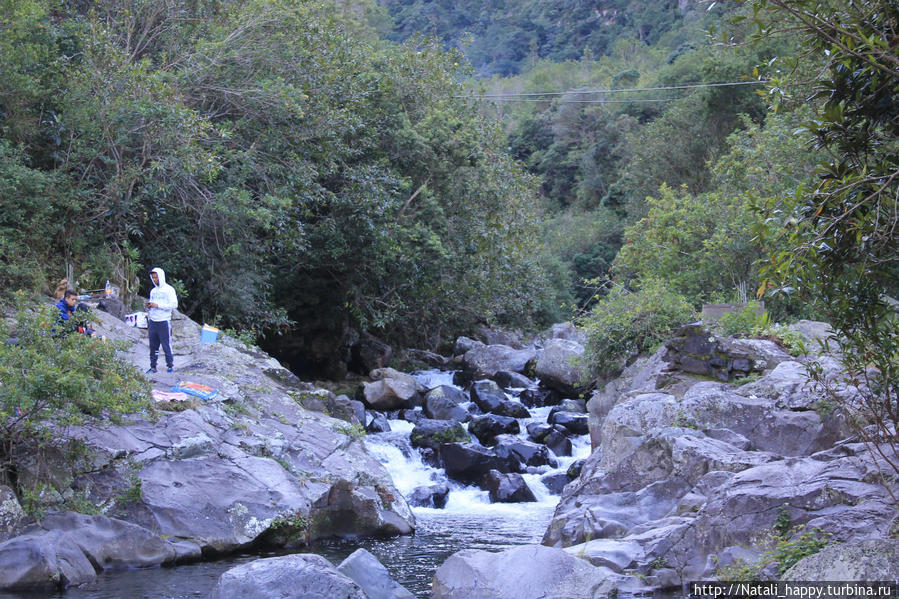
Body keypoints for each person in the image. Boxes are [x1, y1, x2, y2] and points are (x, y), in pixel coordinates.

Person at [146, 267, 177, 374]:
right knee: (153, 345)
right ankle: (153, 366)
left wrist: (158, 305)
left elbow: (174, 304)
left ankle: (170, 366)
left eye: (156, 277)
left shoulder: (169, 290)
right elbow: (153, 303)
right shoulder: (153, 291)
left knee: (166, 344)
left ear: (161, 277)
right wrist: (150, 306)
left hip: (164, 321)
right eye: (153, 278)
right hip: (153, 320)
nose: (155, 280)